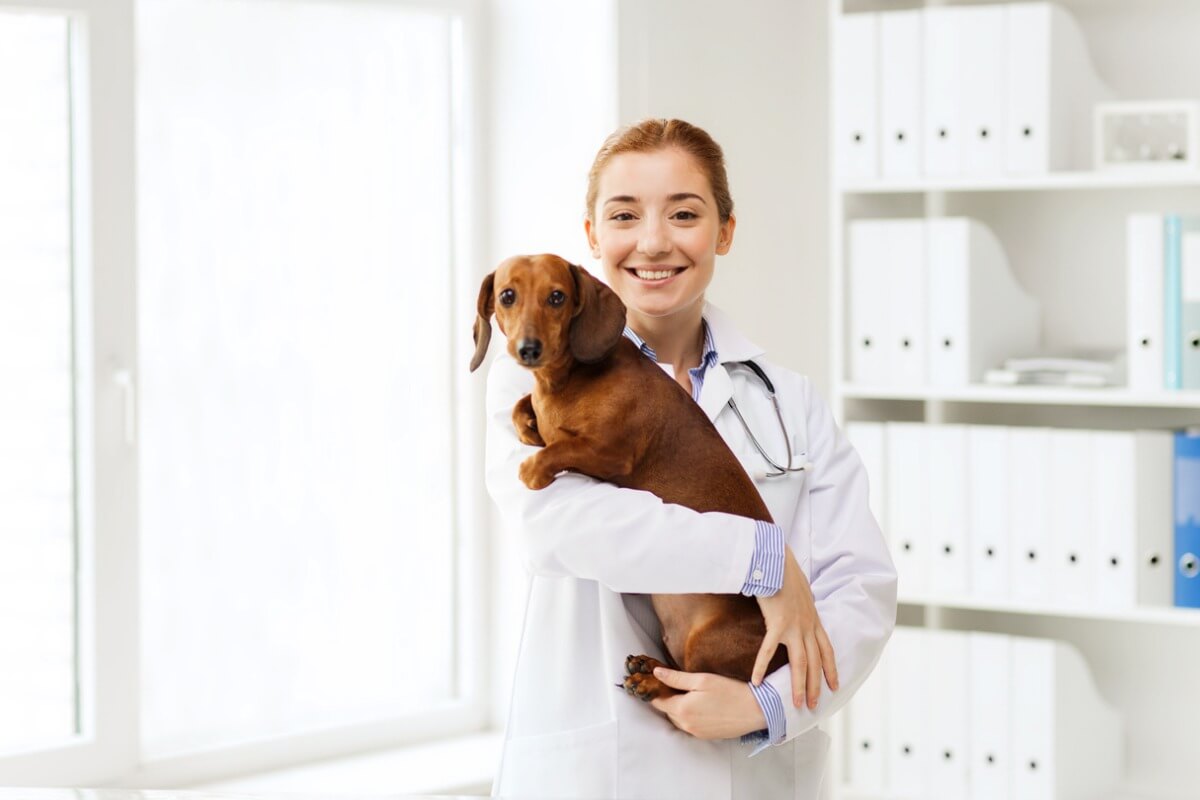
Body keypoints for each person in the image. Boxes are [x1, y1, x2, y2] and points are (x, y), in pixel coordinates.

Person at [483, 118, 897, 799]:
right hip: (601, 770)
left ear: (724, 232)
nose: (653, 241)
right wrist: (761, 558)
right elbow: (565, 527)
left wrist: (769, 706)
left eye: (684, 213)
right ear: (591, 237)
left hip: (755, 769)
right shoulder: (530, 381)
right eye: (624, 215)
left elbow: (863, 589)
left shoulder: (788, 402)